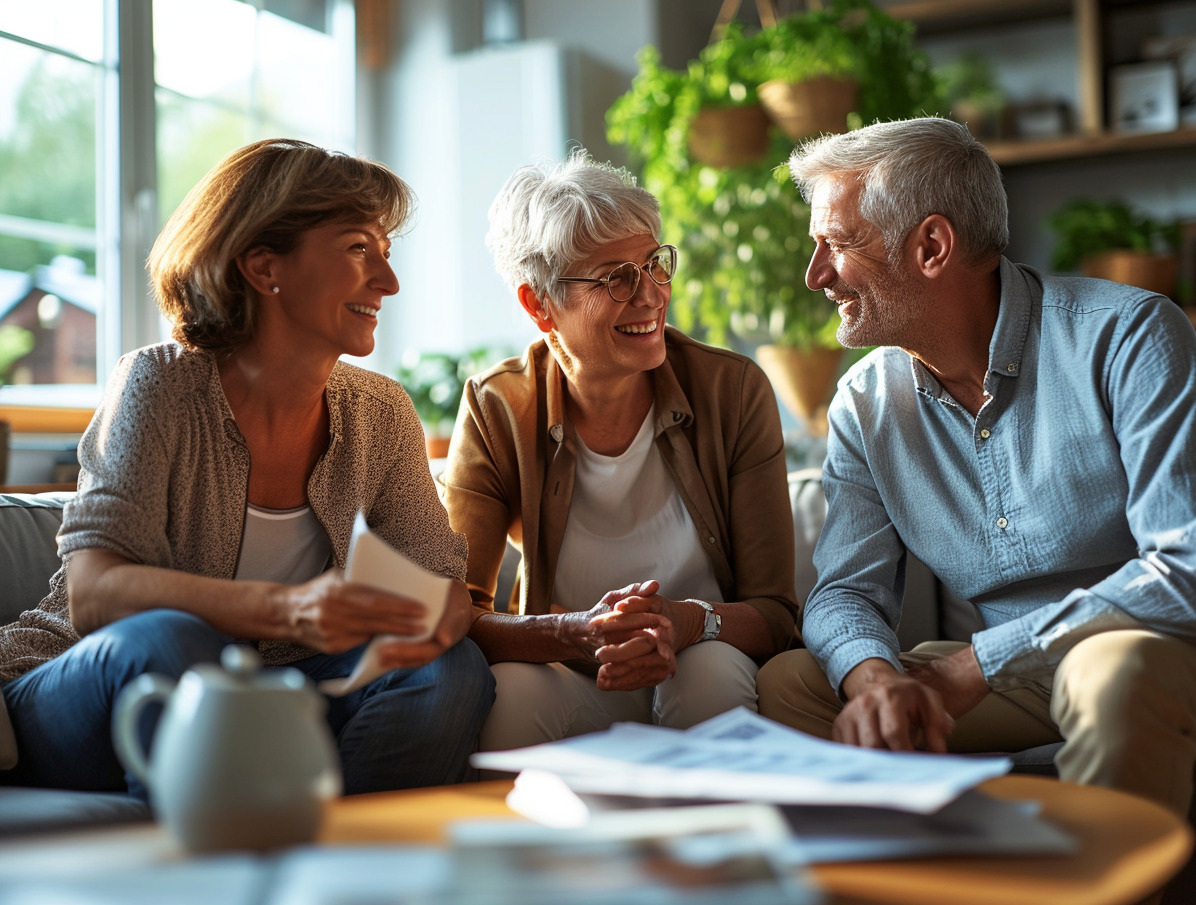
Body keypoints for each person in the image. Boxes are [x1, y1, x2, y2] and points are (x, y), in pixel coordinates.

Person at [757, 117, 1196, 820]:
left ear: (931, 245)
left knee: (1112, 673)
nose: (816, 275)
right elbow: (843, 593)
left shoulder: (1129, 336)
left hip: (1164, 648)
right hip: (1010, 676)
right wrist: (877, 680)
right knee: (794, 683)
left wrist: (975, 665)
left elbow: (1188, 575)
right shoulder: (865, 401)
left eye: (837, 245)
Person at [0, 139, 495, 797]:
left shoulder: (380, 412)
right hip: (87, 684)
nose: (388, 281)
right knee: (175, 645)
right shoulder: (159, 385)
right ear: (265, 268)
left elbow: (444, 591)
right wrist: (289, 609)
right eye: (357, 249)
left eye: (386, 252)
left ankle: (342, 860)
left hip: (278, 694)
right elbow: (94, 596)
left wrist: (429, 619)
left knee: (449, 666)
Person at [438, 149, 798, 753]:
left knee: (710, 675)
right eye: (615, 278)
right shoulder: (497, 405)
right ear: (539, 304)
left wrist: (686, 621)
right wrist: (569, 633)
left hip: (702, 652)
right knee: (513, 695)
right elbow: (458, 612)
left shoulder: (732, 390)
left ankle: (716, 849)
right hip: (570, 666)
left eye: (654, 265)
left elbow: (776, 613)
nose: (652, 295)